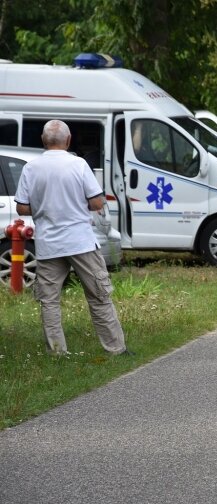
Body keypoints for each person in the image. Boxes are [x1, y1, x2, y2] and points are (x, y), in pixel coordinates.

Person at [14, 120, 130, 356]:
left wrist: (45, 207)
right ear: (67, 141)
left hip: (48, 244)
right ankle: (116, 349)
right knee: (98, 295)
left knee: (49, 301)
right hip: (80, 241)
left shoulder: (31, 168)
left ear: (43, 141)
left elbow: (21, 208)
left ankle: (57, 352)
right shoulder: (78, 164)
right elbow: (97, 202)